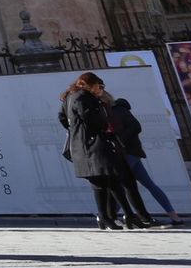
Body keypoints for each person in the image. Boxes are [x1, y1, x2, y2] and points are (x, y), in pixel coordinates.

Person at [60, 72, 148, 230]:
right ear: (88, 84)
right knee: (104, 181)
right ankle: (110, 216)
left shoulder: (70, 98)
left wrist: (75, 131)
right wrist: (101, 125)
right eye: (99, 86)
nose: (100, 90)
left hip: (86, 144)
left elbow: (62, 117)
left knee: (108, 181)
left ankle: (119, 216)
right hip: (93, 145)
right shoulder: (82, 97)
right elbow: (90, 118)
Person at [109, 97, 182, 225]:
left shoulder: (117, 111)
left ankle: (110, 216)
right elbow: (135, 127)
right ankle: (175, 217)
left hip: (127, 153)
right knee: (147, 185)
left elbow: (135, 127)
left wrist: (119, 141)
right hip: (134, 153)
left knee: (122, 186)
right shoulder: (123, 111)